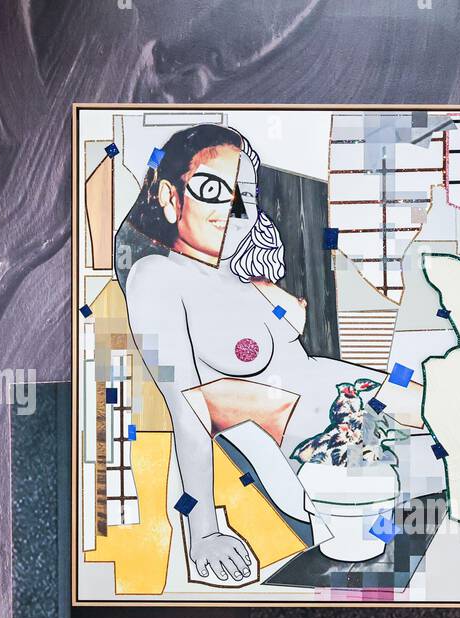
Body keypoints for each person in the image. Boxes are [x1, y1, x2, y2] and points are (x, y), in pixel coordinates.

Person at [117, 123, 396, 584]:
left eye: (243, 194)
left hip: (359, 409)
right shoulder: (156, 278)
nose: (231, 209)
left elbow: (299, 343)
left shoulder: (242, 280)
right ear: (170, 197)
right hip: (320, 450)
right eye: (212, 188)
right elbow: (187, 408)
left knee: (447, 400)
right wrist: (203, 531)